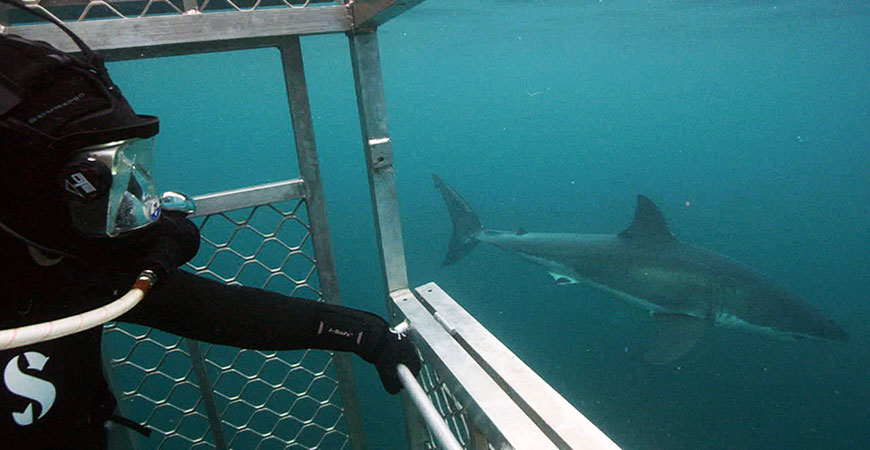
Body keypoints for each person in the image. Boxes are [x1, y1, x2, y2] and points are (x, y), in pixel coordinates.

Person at [0, 1, 421, 447]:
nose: (129, 201)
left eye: (129, 167)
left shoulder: (72, 262)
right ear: (23, 182)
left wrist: (361, 332)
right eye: (95, 180)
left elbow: (223, 313)